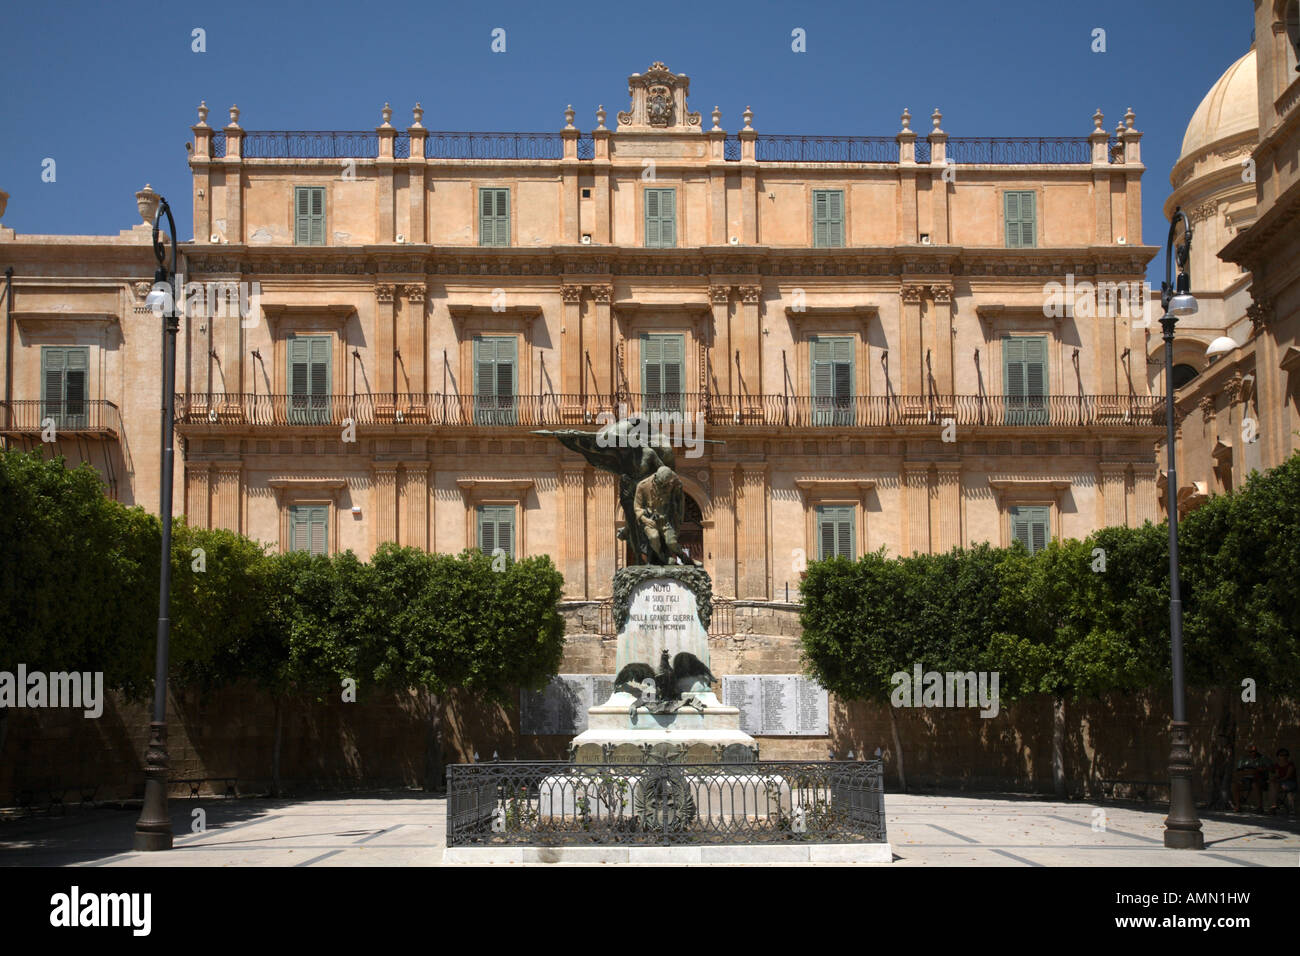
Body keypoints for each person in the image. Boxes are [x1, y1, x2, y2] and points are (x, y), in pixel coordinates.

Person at [1231, 743, 1273, 812]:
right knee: (1234, 785)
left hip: (1260, 779)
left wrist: (1262, 769)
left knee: (1255, 784)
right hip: (1246, 779)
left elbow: (1271, 768)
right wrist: (1247, 772)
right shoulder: (1243, 759)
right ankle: (1238, 806)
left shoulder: (1263, 758)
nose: (1252, 753)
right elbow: (1238, 771)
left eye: (1254, 751)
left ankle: (1259, 807)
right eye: (1250, 752)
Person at [1268, 748, 1296, 814]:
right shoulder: (1277, 765)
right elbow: (1277, 775)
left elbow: (1287, 776)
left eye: (1285, 755)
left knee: (1277, 786)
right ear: (1278, 756)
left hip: (1290, 783)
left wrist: (1278, 780)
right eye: (1281, 755)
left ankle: (1274, 805)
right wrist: (1273, 779)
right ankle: (1274, 805)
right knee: (1273, 785)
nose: (1284, 757)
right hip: (1281, 783)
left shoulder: (1290, 765)